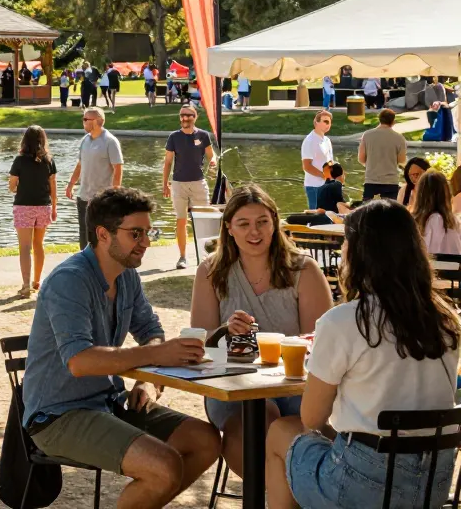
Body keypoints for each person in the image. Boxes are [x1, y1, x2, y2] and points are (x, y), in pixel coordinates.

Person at [23, 188, 221, 509]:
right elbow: (79, 362)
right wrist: (156, 356)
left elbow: (152, 333)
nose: (146, 242)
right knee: (165, 466)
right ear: (103, 234)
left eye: (149, 232)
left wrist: (148, 381)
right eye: (136, 234)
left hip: (110, 402)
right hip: (58, 415)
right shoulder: (69, 280)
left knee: (206, 442)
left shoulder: (127, 276)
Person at [265, 200, 460, 509]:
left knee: (281, 431)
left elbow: (311, 418)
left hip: (365, 486)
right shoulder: (446, 319)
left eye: (346, 243)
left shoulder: (345, 320)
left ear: (359, 254)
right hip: (432, 485)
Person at [189, 184, 332, 480]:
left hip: (294, 386)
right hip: (232, 384)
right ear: (228, 228)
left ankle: (287, 494)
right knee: (259, 413)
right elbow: (199, 343)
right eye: (244, 224)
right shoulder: (211, 272)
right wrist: (226, 330)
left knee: (310, 422)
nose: (254, 232)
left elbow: (320, 343)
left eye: (262, 222)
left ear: (275, 223)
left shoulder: (303, 270)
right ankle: (271, 495)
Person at [163, 104, 217, 270]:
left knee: (203, 221)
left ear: (195, 117)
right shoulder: (174, 137)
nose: (185, 118)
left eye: (188, 115)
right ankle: (182, 257)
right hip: (179, 184)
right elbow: (168, 162)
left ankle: (205, 256)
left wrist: (213, 161)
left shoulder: (203, 135)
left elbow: (211, 154)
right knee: (181, 220)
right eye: (182, 115)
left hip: (198, 183)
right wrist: (164, 183)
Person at [65, 107, 124, 249]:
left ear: (98, 121)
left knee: (100, 237)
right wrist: (71, 184)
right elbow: (80, 165)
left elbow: (118, 169)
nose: (83, 122)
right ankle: (86, 267)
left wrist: (114, 194)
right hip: (83, 197)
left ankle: (103, 268)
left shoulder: (110, 141)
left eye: (86, 119)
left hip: (102, 200)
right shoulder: (85, 140)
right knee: (84, 236)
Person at [9, 125, 57, 297]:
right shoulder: (49, 161)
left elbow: (12, 185)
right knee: (38, 244)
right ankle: (37, 281)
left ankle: (25, 284)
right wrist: (54, 207)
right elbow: (53, 185)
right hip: (44, 205)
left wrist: (17, 188)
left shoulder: (19, 160)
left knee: (25, 246)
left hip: (23, 205)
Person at [358, 109, 407, 200]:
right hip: (391, 182)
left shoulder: (367, 135)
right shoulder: (399, 138)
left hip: (371, 180)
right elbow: (402, 160)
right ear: (393, 121)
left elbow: (361, 159)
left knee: (369, 212)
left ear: (379, 119)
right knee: (389, 212)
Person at [412, 169, 461, 255]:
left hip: (423, 267)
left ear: (420, 195)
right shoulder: (454, 221)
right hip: (453, 266)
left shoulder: (411, 222)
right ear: (446, 194)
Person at [301, 110, 334, 210]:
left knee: (328, 214)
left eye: (329, 122)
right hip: (314, 186)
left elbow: (330, 161)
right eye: (325, 121)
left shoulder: (327, 140)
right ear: (316, 122)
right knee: (316, 216)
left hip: (327, 185)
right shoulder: (309, 141)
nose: (328, 124)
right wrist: (324, 176)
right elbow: (307, 166)